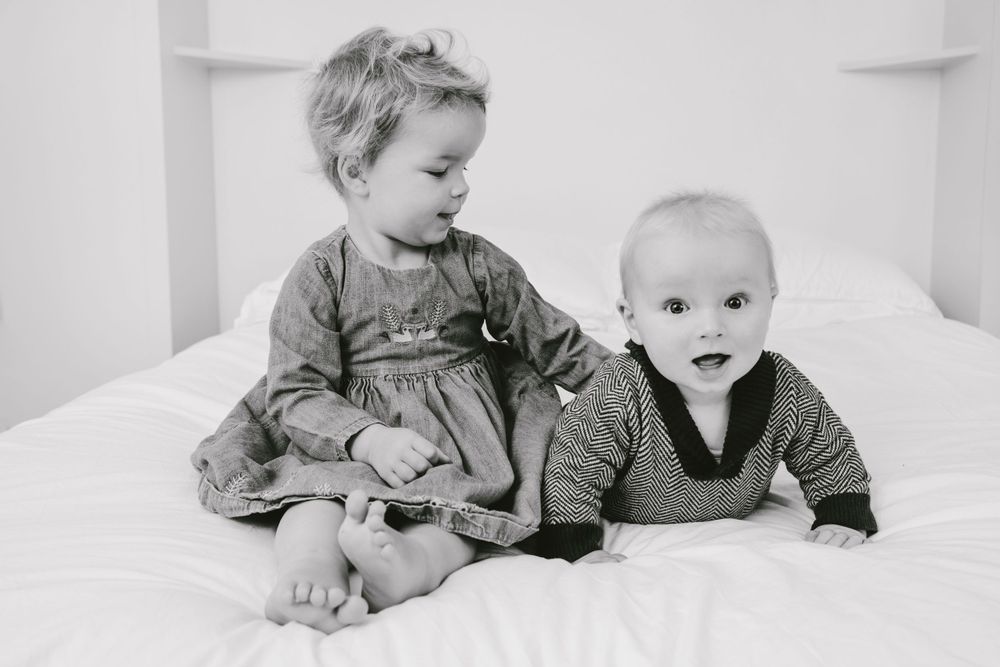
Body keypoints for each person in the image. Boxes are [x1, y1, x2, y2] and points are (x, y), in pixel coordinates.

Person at [191, 27, 612, 632]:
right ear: (357, 171)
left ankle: (407, 565)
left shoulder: (476, 263)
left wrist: (636, 386)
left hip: (454, 450)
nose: (462, 187)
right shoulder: (321, 275)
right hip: (347, 442)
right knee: (317, 499)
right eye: (439, 170)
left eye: (465, 167)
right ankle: (309, 574)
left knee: (462, 517)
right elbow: (296, 390)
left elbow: (550, 340)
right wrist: (366, 440)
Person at [538, 191, 877, 563]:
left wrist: (842, 515)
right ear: (633, 320)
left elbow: (828, 449)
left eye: (734, 302)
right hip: (626, 509)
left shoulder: (782, 387)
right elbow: (573, 468)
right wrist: (576, 546)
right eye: (677, 307)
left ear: (770, 301)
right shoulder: (620, 389)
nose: (711, 327)